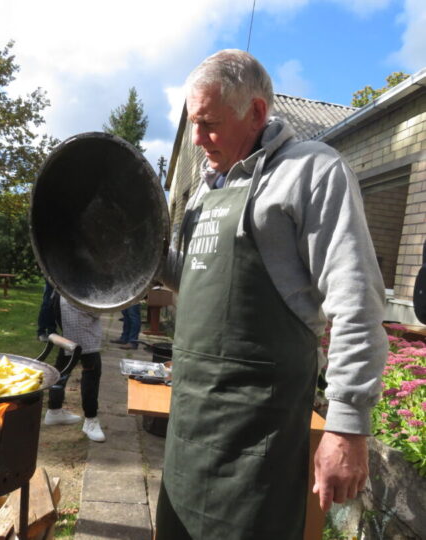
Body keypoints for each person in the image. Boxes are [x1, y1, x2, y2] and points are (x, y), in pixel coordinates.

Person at [156, 50, 388, 540]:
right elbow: (193, 277)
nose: (197, 139)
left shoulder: (312, 172)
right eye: (193, 124)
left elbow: (357, 302)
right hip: (189, 429)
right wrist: (138, 253)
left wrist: (347, 425)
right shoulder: (204, 190)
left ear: (256, 112)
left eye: (209, 124)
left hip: (257, 441)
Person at [44, 295, 106, 442]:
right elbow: (95, 310)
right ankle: (90, 419)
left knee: (63, 365)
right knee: (92, 370)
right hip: (77, 306)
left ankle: (54, 410)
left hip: (66, 301)